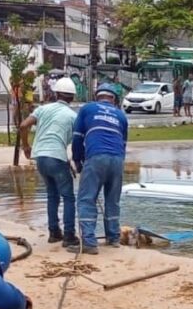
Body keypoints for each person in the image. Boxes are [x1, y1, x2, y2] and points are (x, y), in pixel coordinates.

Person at [68, 83, 129, 255]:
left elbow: (78, 137)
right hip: (117, 160)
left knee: (86, 199)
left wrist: (78, 160)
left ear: (97, 96)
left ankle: (88, 242)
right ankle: (114, 238)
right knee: (113, 200)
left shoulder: (88, 109)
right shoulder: (121, 116)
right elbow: (123, 145)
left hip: (96, 157)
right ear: (114, 99)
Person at [20, 77, 80, 247]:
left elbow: (24, 126)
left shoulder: (42, 109)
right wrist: (75, 161)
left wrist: (26, 147)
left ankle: (54, 233)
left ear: (56, 94)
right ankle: (69, 236)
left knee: (52, 195)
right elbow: (74, 142)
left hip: (40, 158)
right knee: (68, 197)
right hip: (56, 157)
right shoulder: (73, 116)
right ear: (73, 97)